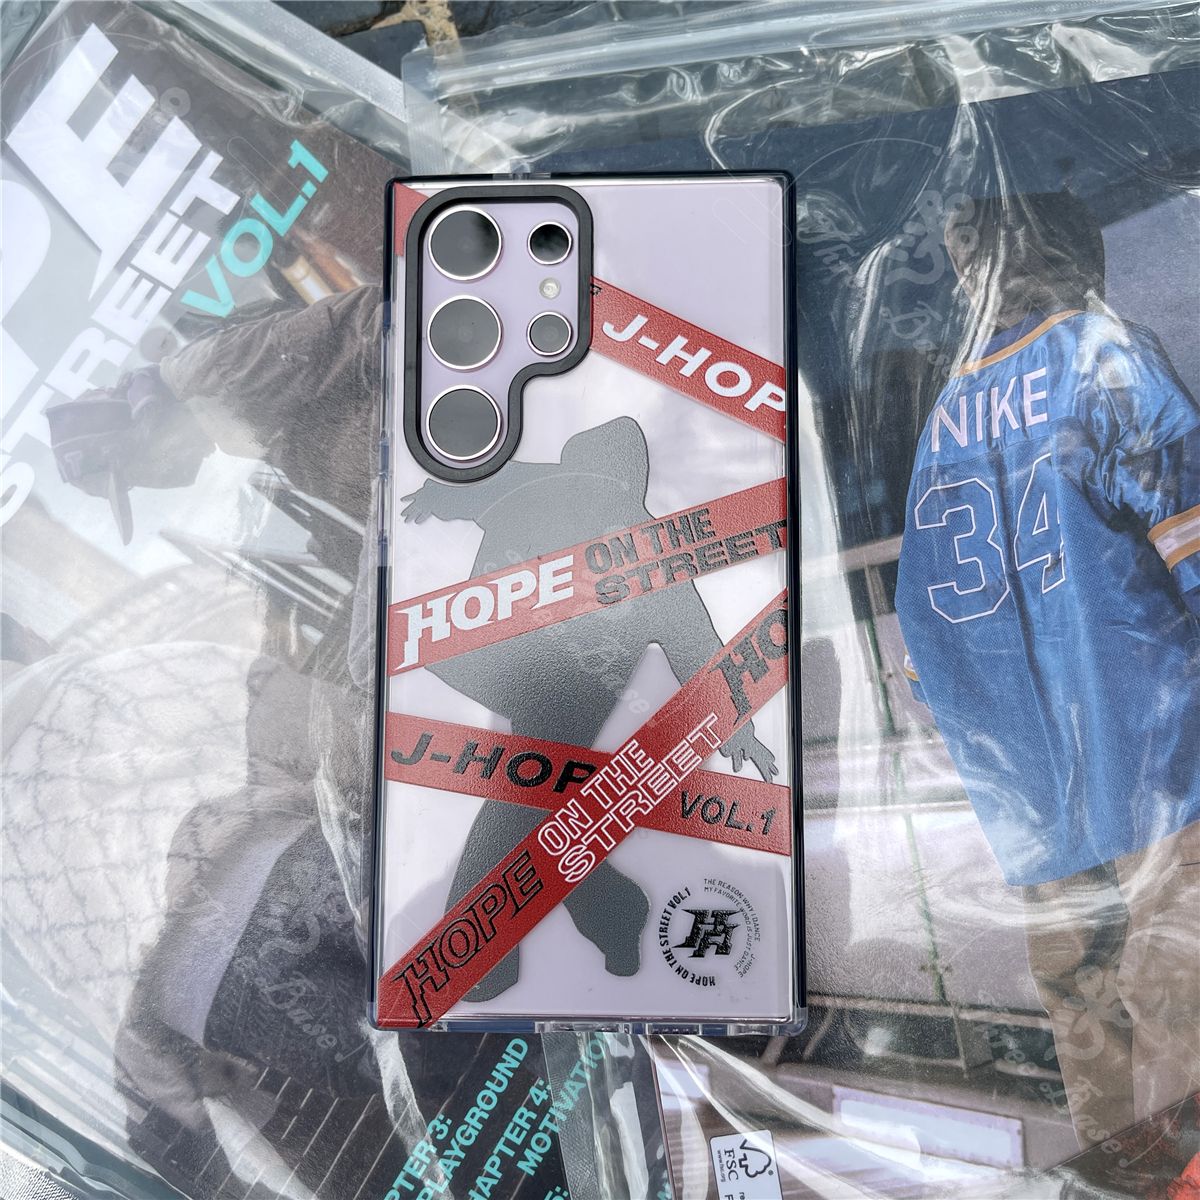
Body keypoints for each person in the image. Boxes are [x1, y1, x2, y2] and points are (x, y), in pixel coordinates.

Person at [895, 190, 1200, 1148]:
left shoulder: (945, 414)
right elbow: (1190, 530)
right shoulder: (1099, 355)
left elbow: (922, 626)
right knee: (1180, 976)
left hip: (1028, 788)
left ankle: (1121, 1170)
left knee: (1081, 992)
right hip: (1149, 747)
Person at [401, 416, 777, 999]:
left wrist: (737, 724)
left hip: (557, 683)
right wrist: (437, 492)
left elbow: (694, 640)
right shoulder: (558, 499)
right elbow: (478, 484)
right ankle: (603, 917)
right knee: (531, 800)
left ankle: (515, 949)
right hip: (523, 670)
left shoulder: (638, 540)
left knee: (525, 799)